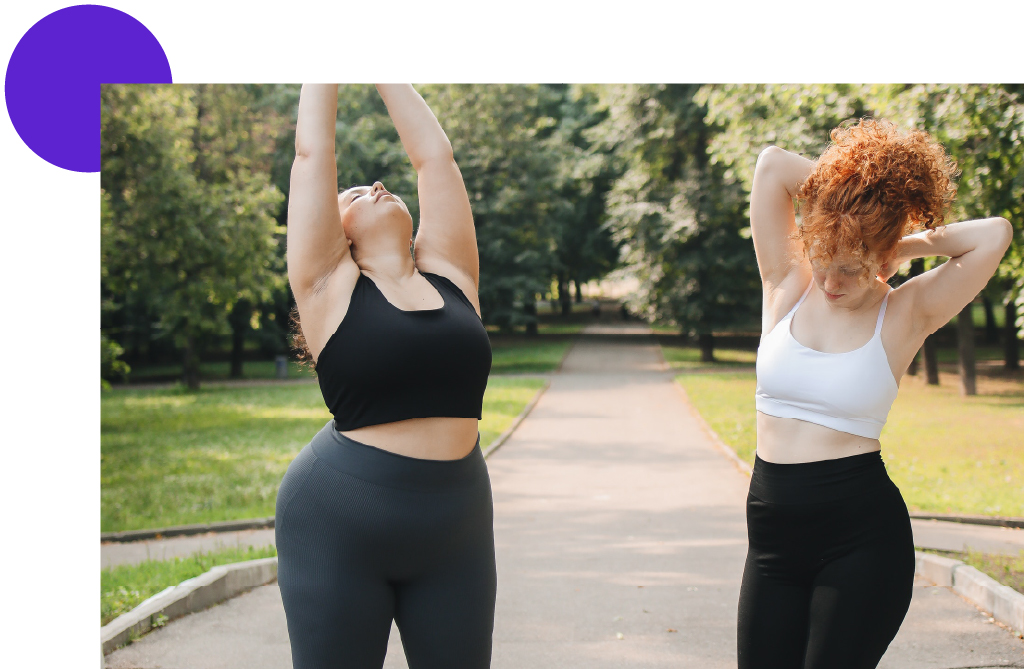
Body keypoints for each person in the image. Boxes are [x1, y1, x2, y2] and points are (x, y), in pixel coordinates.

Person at [738, 118, 1012, 669]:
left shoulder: (906, 313)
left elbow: (995, 234)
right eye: (823, 259)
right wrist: (850, 202)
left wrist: (893, 239)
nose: (832, 281)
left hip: (860, 544)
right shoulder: (787, 286)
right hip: (771, 546)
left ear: (881, 262)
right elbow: (771, 164)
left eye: (852, 268)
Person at [276, 84, 495, 669]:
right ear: (337, 231)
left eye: (381, 185)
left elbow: (435, 159)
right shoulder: (328, 285)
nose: (376, 186)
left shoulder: (450, 273)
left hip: (457, 520)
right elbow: (312, 155)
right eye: (354, 193)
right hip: (339, 518)